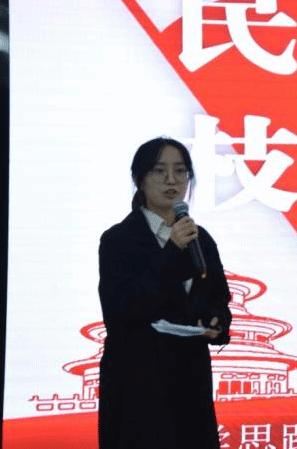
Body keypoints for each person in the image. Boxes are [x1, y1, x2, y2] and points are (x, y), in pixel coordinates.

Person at [97, 137, 232, 449]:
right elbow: (119, 312)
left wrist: (216, 321)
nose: (172, 180)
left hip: (190, 382)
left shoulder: (201, 239)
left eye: (180, 171)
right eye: (159, 171)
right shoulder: (118, 240)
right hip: (137, 383)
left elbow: (218, 297)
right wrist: (172, 251)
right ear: (139, 179)